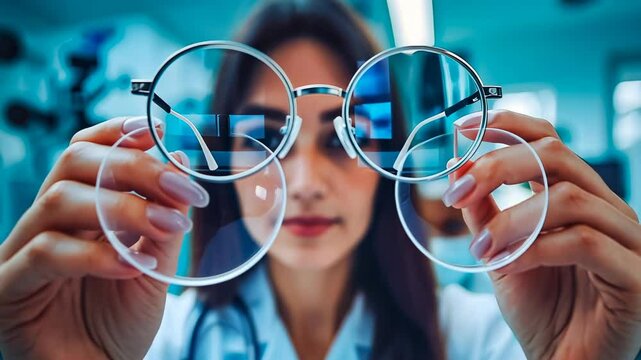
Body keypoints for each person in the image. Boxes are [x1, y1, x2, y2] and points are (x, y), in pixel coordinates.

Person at [1, 0, 640, 359]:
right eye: (262, 137)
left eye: (343, 140)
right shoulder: (148, 345)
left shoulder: (488, 340)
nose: (303, 181)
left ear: (391, 162)